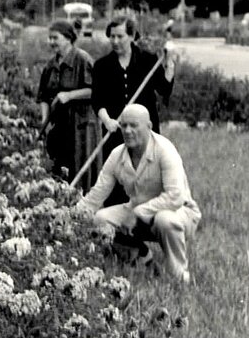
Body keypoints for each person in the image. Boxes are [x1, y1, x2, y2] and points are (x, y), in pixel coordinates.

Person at [78, 104, 201, 283]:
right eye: (123, 125)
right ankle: (139, 256)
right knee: (100, 219)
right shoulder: (116, 155)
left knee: (164, 219)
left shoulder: (165, 150)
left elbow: (175, 197)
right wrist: (69, 217)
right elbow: (96, 196)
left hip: (180, 213)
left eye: (134, 125)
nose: (127, 131)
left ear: (149, 127)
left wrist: (138, 213)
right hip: (137, 213)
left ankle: (179, 276)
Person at [91, 16, 177, 152]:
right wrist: (107, 121)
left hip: (144, 132)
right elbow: (97, 100)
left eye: (120, 36)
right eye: (112, 36)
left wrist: (170, 64)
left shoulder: (147, 60)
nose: (115, 41)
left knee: (146, 170)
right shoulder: (102, 65)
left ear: (131, 36)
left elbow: (164, 89)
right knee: (118, 171)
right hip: (115, 132)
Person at [38, 20, 100, 190]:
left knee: (81, 171)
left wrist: (70, 95)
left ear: (68, 38)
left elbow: (98, 91)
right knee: (59, 170)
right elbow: (43, 96)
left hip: (82, 127)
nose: (51, 42)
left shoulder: (82, 60)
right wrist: (44, 120)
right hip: (60, 126)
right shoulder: (50, 66)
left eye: (55, 38)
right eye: (49, 38)